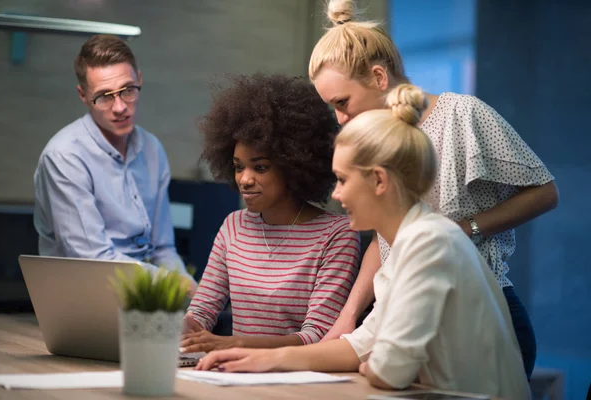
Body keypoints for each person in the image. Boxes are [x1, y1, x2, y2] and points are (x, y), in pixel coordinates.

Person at [194, 84, 531, 400]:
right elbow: (360, 344)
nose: (337, 195)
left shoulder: (430, 242)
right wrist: (263, 360)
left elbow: (388, 369)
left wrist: (374, 363)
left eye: (342, 180)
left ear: (379, 181)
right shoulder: (407, 245)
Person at [309, 0, 559, 379]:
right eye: (333, 109)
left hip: (482, 317)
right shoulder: (379, 143)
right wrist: (348, 317)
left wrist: (462, 230)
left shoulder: (462, 114)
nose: (341, 119)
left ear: (379, 78)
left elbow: (545, 192)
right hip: (406, 315)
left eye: (343, 103)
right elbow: (384, 238)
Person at [179, 73, 360, 353]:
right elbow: (202, 311)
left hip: (299, 379)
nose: (245, 179)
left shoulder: (336, 235)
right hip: (234, 374)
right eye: (239, 167)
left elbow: (317, 336)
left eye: (260, 167)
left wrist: (234, 344)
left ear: (293, 166)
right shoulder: (233, 226)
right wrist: (175, 327)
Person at [33, 34, 195, 289]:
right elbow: (93, 261)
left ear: (139, 80)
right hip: (84, 296)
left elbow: (163, 248)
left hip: (145, 294)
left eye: (128, 90)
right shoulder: (64, 157)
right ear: (83, 95)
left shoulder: (152, 149)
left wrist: (193, 292)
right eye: (105, 96)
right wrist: (174, 285)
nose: (120, 107)